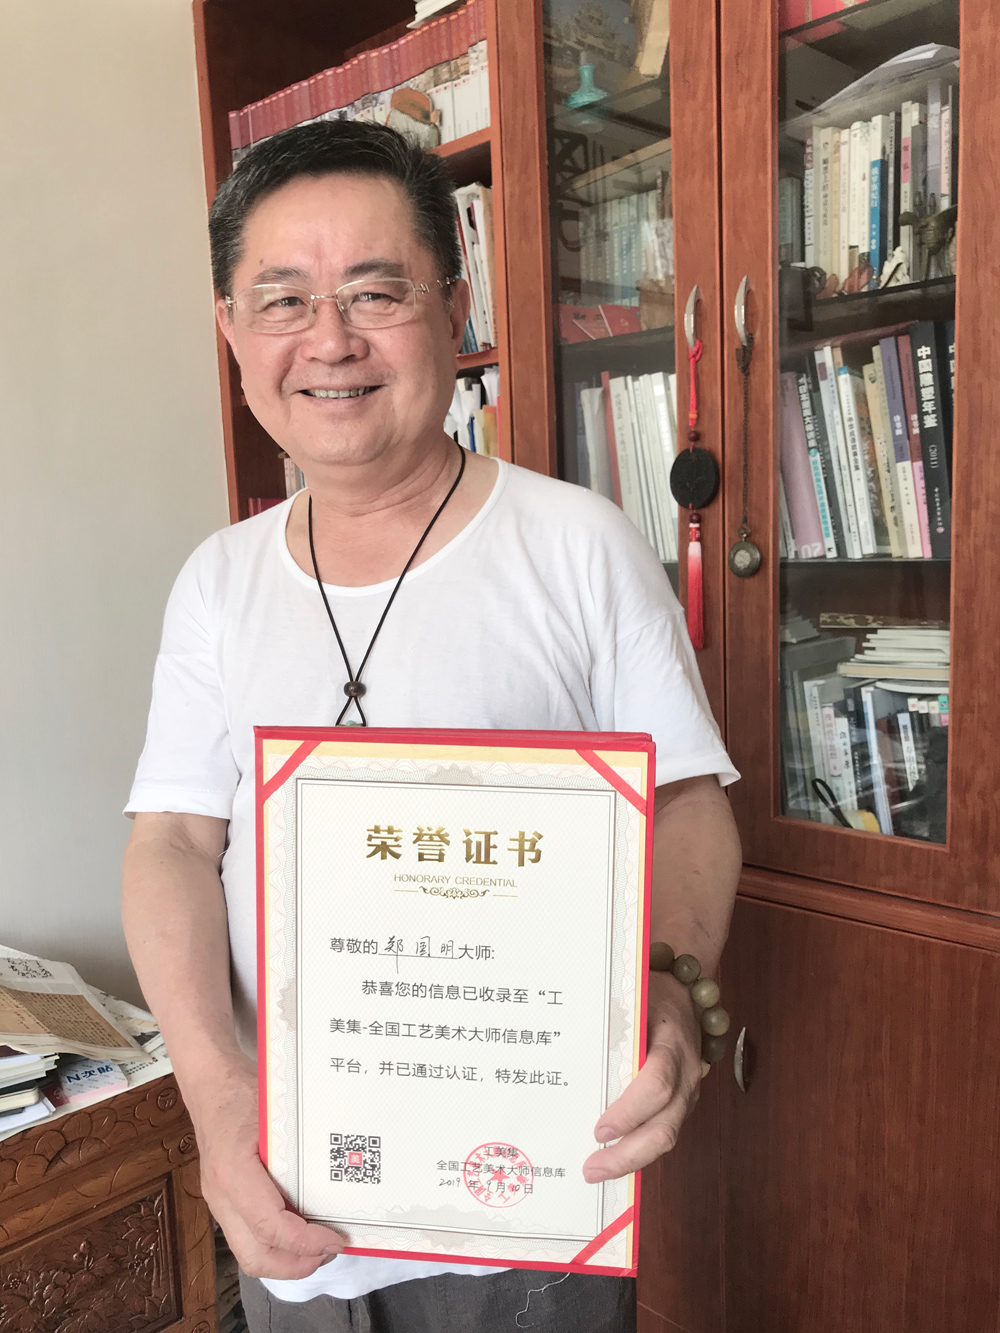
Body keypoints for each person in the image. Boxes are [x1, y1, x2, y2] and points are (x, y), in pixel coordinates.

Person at [121, 120, 742, 1333]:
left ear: (453, 310)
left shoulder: (576, 545)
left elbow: (685, 803)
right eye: (283, 300)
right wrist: (215, 1097)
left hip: (531, 1192)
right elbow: (171, 845)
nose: (330, 340)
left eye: (376, 291)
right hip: (290, 1192)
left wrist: (671, 991)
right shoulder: (218, 580)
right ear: (233, 332)